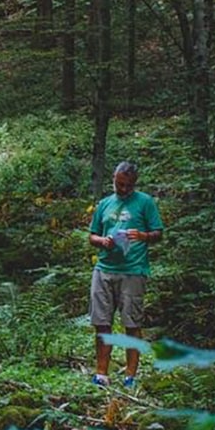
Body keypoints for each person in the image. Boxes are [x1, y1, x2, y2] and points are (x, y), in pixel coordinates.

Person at [87, 160, 163, 388]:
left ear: (134, 184)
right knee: (101, 323)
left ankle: (131, 375)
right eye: (119, 184)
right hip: (104, 269)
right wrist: (103, 241)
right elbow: (92, 235)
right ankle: (101, 373)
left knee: (132, 323)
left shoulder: (145, 203)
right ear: (113, 180)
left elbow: (158, 232)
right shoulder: (105, 204)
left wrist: (142, 236)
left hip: (133, 270)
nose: (123, 189)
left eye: (128, 186)